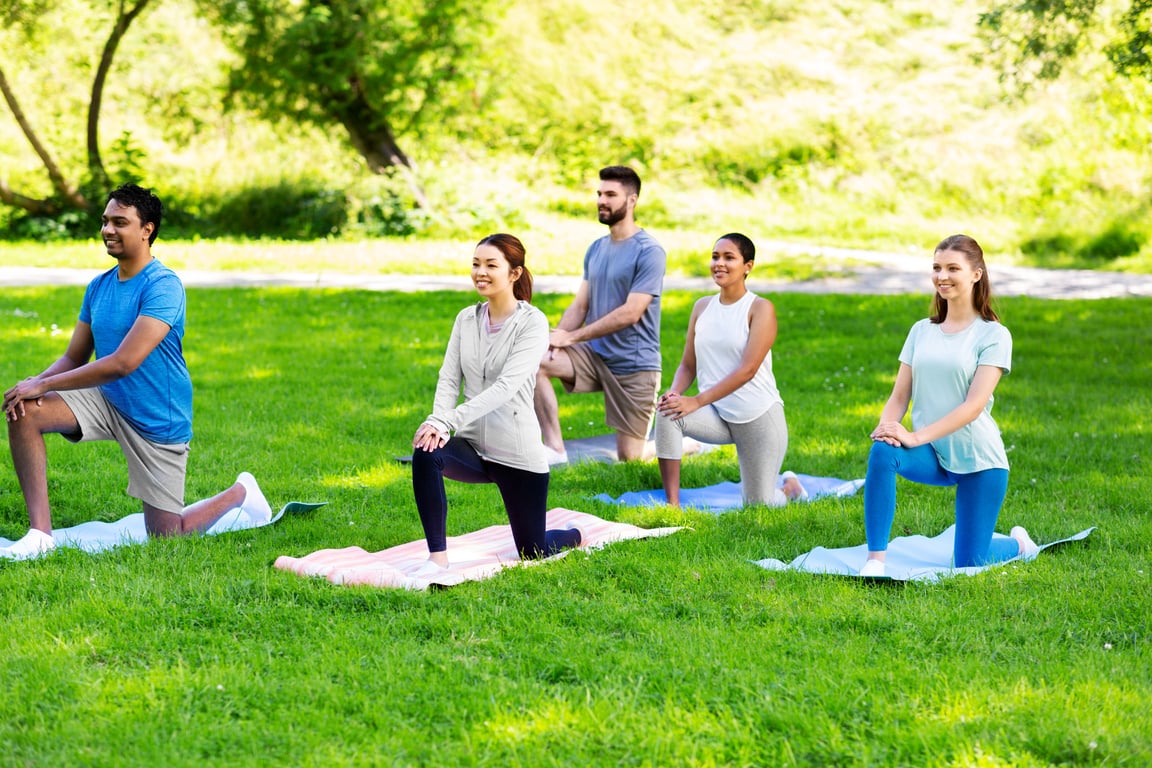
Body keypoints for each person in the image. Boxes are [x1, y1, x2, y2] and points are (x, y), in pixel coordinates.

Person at [2, 183, 271, 560]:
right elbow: (74, 356)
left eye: (120, 222)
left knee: (166, 539)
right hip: (108, 401)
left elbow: (124, 362)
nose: (107, 230)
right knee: (25, 412)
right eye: (105, 221)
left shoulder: (164, 286)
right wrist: (31, 386)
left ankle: (240, 493)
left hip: (156, 418)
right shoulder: (98, 287)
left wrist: (44, 383)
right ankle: (40, 536)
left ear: (147, 230)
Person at [858, 234, 1039, 577]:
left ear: (976, 274)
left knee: (970, 562)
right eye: (937, 268)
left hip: (978, 460)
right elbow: (899, 396)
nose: (942, 276)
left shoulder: (994, 335)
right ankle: (875, 563)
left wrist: (915, 436)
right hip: (932, 454)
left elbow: (973, 407)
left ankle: (1018, 544)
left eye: (953, 268)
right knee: (883, 451)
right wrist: (889, 428)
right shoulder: (921, 331)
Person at [411, 234, 582, 571]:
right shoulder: (466, 319)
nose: (480, 272)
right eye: (476, 264)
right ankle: (437, 560)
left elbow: (506, 386)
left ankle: (574, 534)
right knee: (426, 451)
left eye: (491, 265)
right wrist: (437, 421)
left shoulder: (532, 322)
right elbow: (449, 378)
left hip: (517, 455)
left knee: (533, 551)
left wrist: (450, 420)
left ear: (514, 274)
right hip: (475, 447)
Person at [655, 233, 805, 507]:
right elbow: (688, 364)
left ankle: (789, 488)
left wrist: (696, 401)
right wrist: (675, 394)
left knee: (759, 504)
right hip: (718, 414)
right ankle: (672, 505)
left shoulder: (760, 309)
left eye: (729, 257)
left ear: (748, 266)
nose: (719, 264)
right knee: (668, 412)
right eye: (715, 257)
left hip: (757, 417)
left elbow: (747, 370)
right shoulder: (702, 307)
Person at [534, 165, 666, 463]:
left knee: (630, 458)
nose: (601, 201)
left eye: (610, 194)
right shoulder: (596, 248)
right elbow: (581, 306)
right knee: (535, 362)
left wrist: (574, 336)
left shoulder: (649, 251)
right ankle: (555, 450)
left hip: (634, 365)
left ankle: (682, 445)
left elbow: (631, 313)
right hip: (594, 355)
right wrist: (556, 339)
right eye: (599, 194)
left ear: (631, 200)